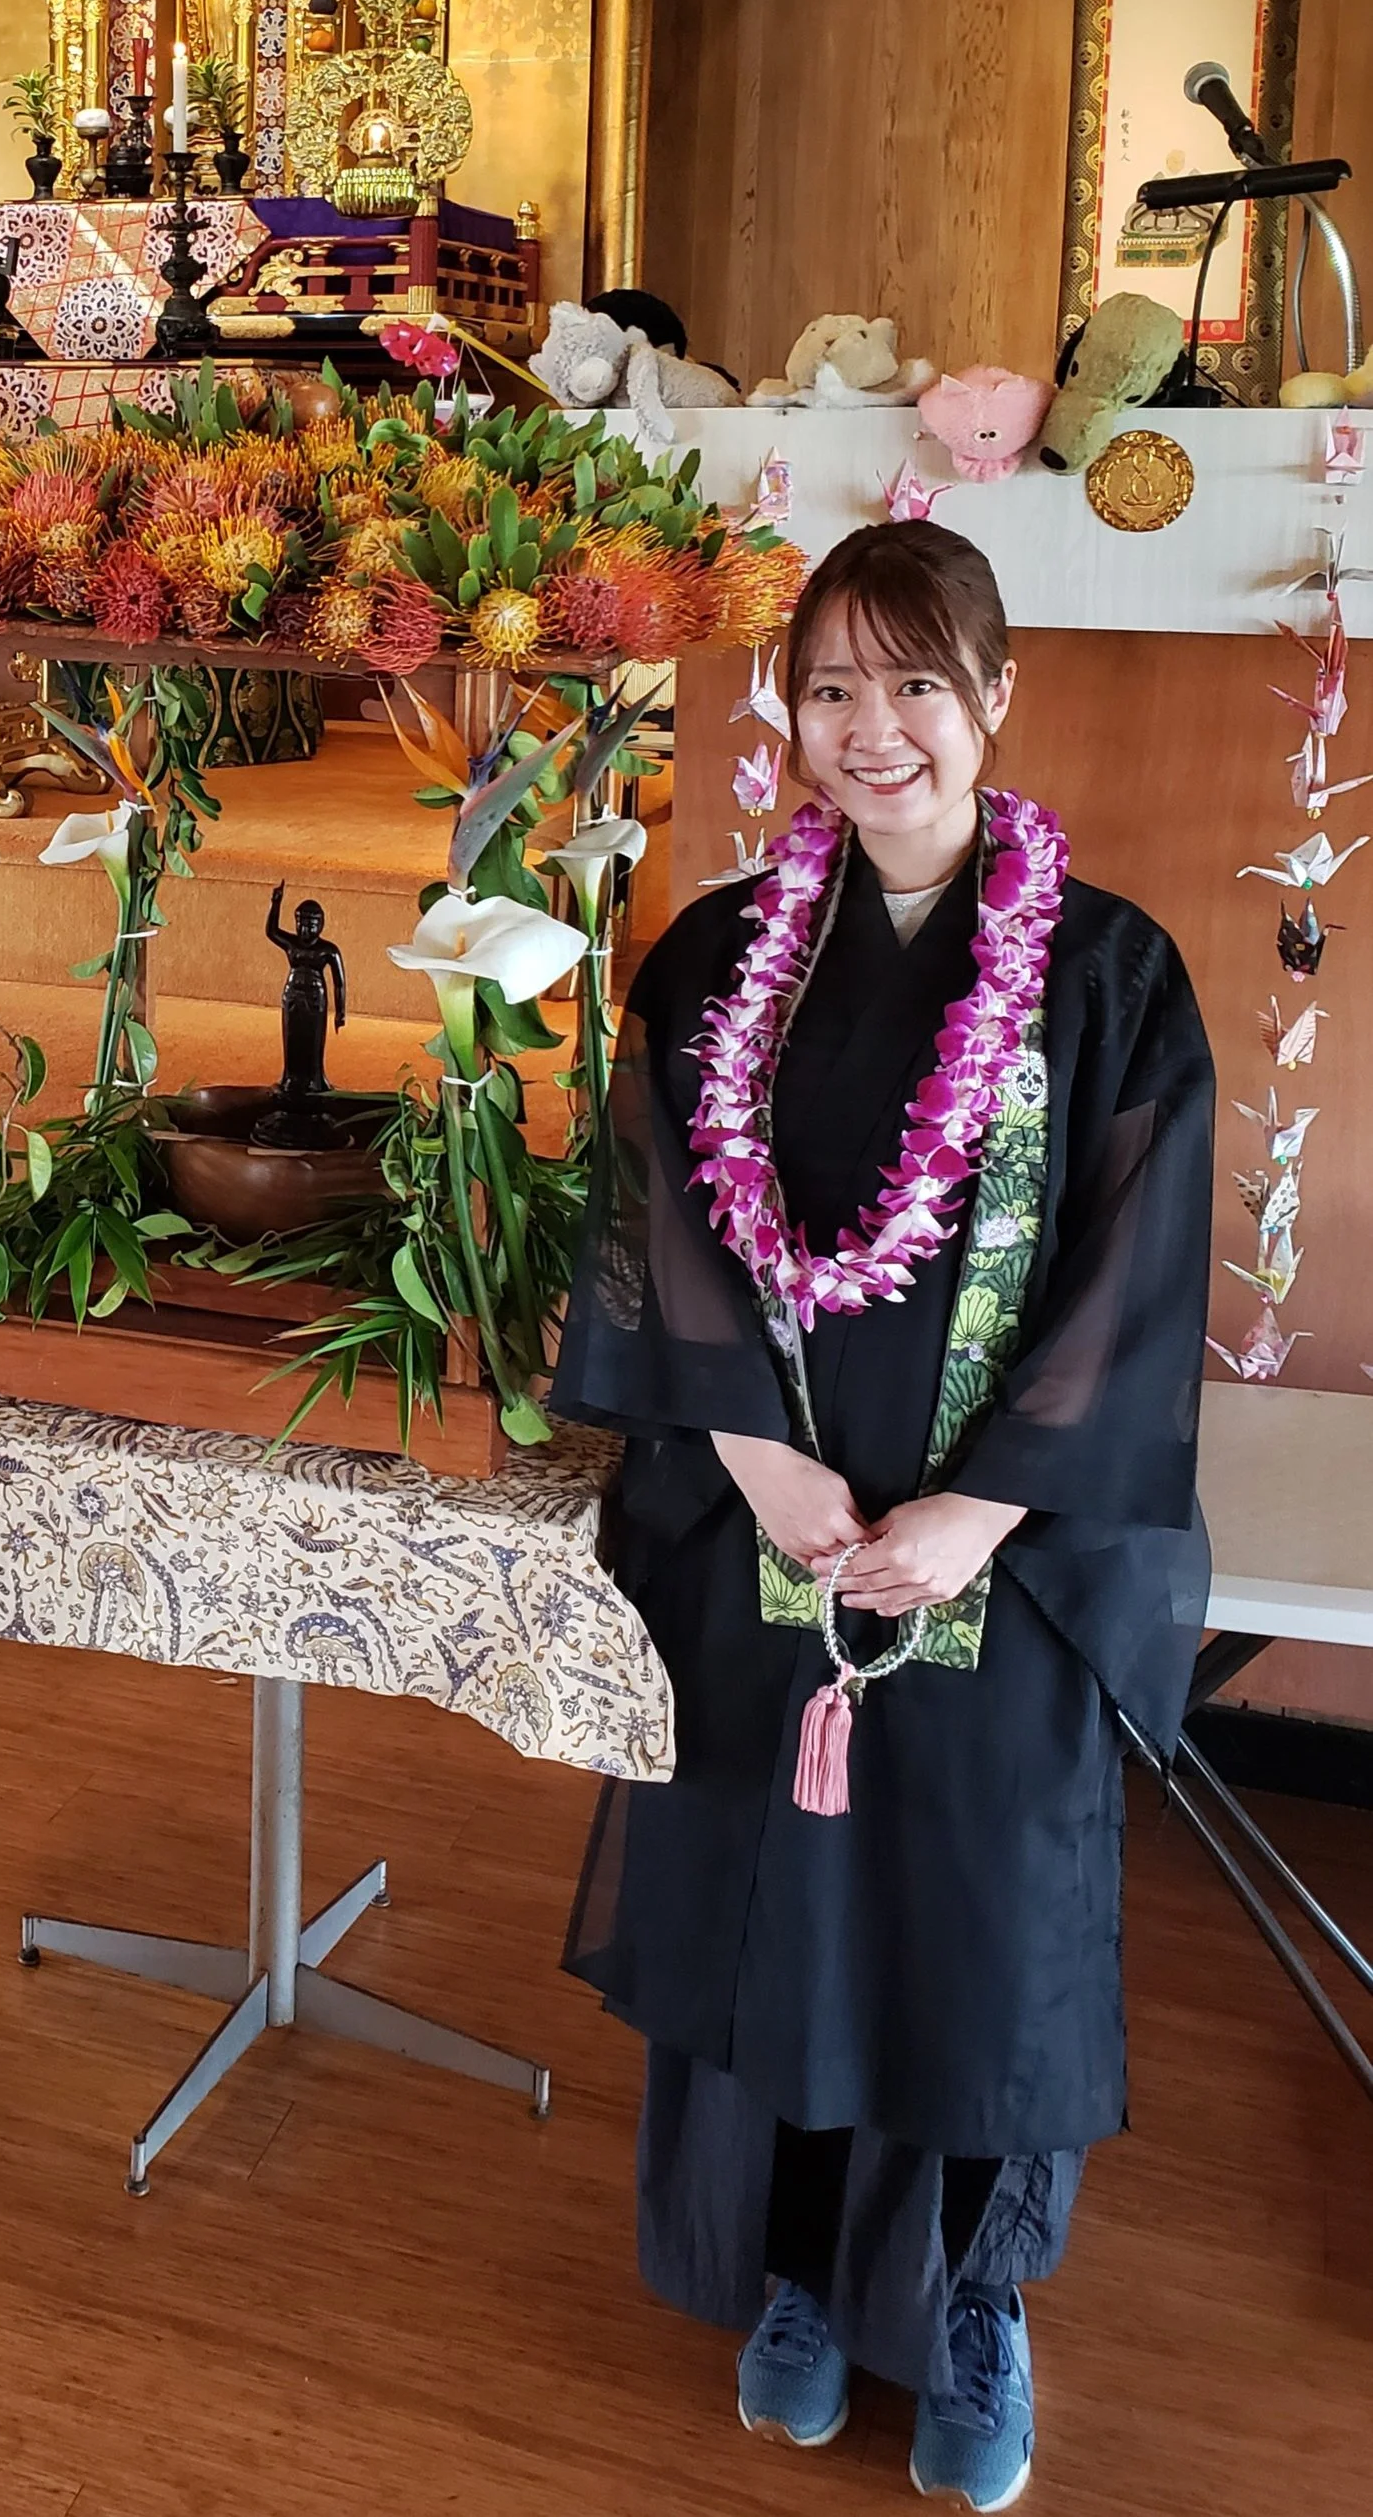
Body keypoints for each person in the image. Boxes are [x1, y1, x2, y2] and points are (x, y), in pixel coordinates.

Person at [552, 519, 1212, 2512]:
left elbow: (1133, 1274)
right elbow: (653, 1229)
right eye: (825, 686)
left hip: (994, 1566)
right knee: (784, 1906)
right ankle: (790, 2274)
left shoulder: (1104, 976)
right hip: (761, 1535)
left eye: (911, 682)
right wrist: (757, 1464)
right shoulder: (714, 956)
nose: (869, 728)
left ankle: (966, 2302)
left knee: (972, 1918)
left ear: (993, 697)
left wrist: (982, 1511)